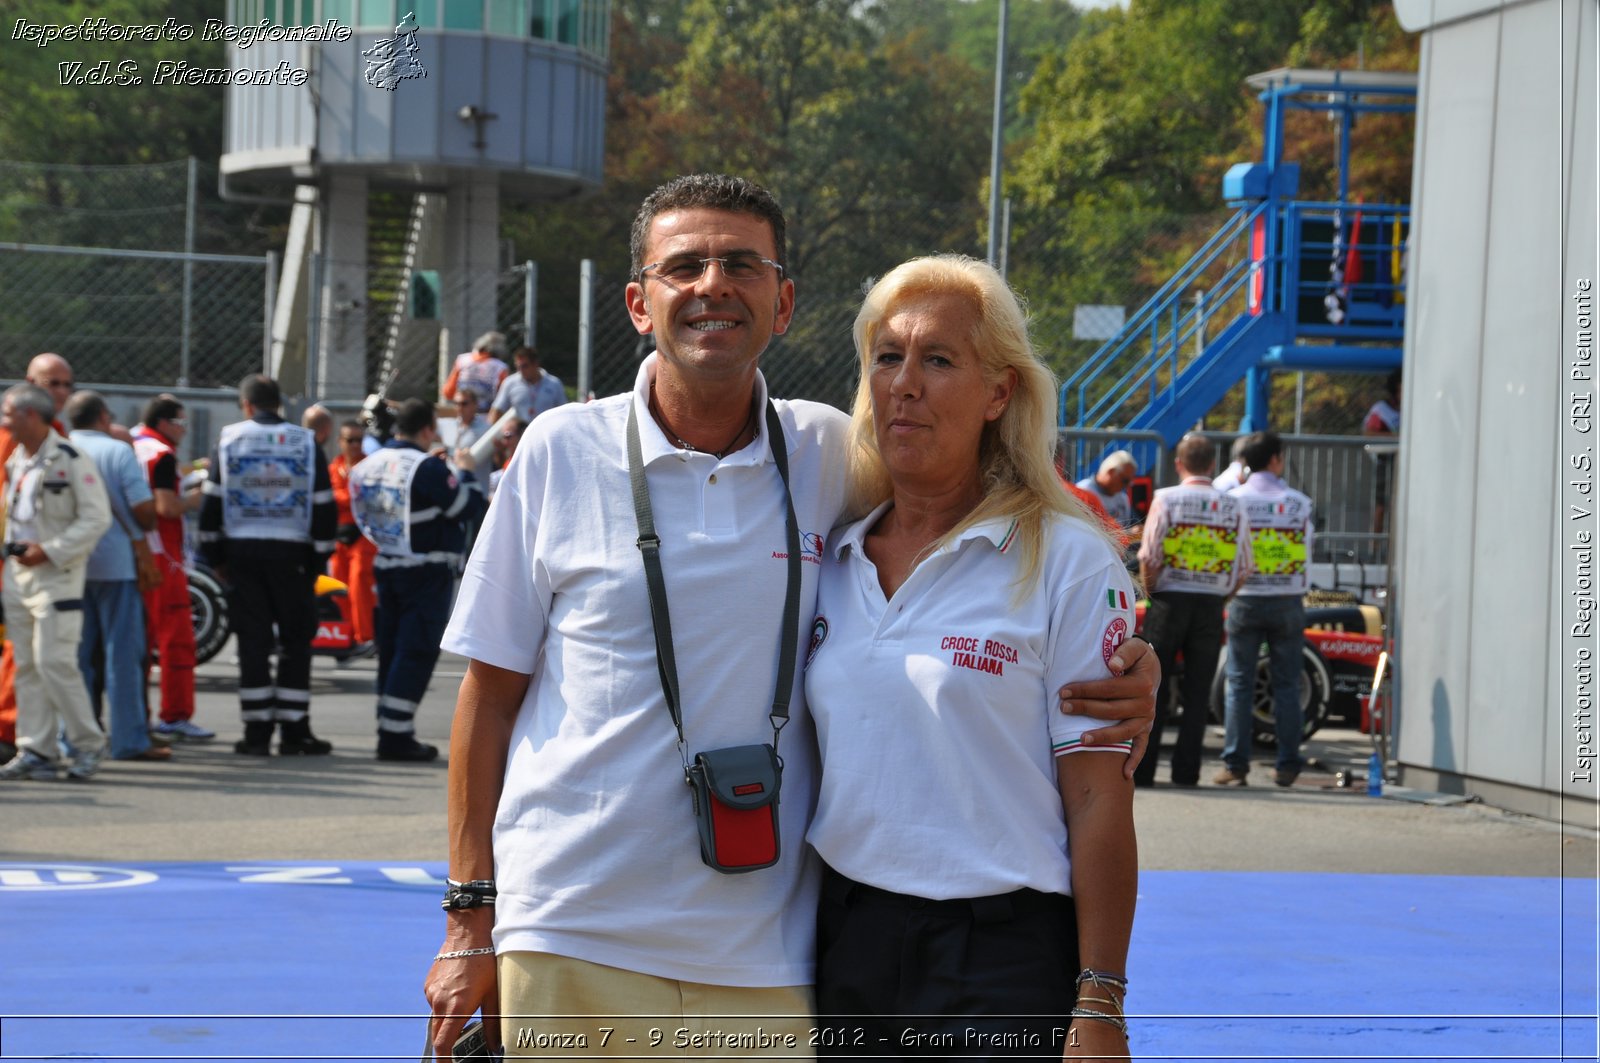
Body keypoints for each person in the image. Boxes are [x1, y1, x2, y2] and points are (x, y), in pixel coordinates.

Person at [422, 174, 1160, 1060]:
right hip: (575, 926)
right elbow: (488, 695)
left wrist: (1134, 672)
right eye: (684, 265)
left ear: (784, 302)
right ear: (637, 301)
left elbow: (982, 536)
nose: (712, 285)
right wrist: (471, 915)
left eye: (741, 263)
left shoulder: (824, 460)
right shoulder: (562, 451)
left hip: (771, 950)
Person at [805, 255, 1138, 1060]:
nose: (904, 384)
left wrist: (1100, 1001)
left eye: (939, 359)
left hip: (1002, 956)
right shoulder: (829, 548)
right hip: (842, 941)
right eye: (888, 356)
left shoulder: (1067, 559)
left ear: (1000, 393)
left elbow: (1099, 801)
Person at [199, 374, 338, 757]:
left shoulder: (229, 438)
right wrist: (317, 561)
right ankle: (295, 730)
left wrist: (216, 558)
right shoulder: (306, 442)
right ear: (279, 404)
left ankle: (257, 731)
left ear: (246, 405)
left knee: (253, 643)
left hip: (242, 554)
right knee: (296, 642)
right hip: (293, 556)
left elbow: (212, 503)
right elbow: (324, 506)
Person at [349, 398, 485, 762]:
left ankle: (389, 723)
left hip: (387, 563)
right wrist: (466, 471)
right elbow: (466, 506)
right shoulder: (425, 467)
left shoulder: (367, 464)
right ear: (427, 430)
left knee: (391, 649)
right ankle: (396, 735)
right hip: (426, 570)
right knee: (416, 649)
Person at [0, 383, 112, 781]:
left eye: (9, 413)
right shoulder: (18, 458)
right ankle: (37, 749)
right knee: (27, 666)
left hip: (56, 576)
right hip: (19, 575)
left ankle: (88, 745)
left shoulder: (69, 458)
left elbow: (97, 518)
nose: (4, 420)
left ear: (31, 415)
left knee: (55, 663)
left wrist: (49, 550)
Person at [1133, 432, 1252, 789]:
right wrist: (1222, 596)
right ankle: (1187, 773)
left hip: (1169, 598)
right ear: (1213, 464)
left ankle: (1144, 771)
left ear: (1179, 464)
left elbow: (1149, 554)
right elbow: (1245, 564)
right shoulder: (1233, 505)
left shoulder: (1166, 498)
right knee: (1198, 693)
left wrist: (1153, 592)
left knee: (1151, 687)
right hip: (1211, 603)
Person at [65, 391, 168, 763]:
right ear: (104, 417)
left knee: (77, 657)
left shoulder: (59, 448)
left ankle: (74, 739)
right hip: (116, 565)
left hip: (71, 563)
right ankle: (128, 739)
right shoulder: (118, 451)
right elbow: (143, 509)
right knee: (122, 655)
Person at [1218, 430, 1315, 787]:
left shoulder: (1233, 500)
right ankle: (1288, 764)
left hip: (1245, 598)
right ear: (1275, 460)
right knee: (1287, 684)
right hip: (1288, 598)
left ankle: (1235, 765)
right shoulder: (1300, 503)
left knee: (1239, 682)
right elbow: (1307, 552)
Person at [132, 396, 212, 741]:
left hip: (134, 555)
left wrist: (192, 468)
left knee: (136, 643)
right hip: (163, 559)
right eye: (181, 423)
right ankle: (176, 714)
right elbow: (166, 506)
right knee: (177, 641)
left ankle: (135, 716)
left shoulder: (136, 442)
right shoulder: (162, 454)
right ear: (164, 423)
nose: (183, 429)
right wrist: (194, 499)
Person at [329, 419, 378, 654]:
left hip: (363, 534)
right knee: (338, 585)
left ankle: (364, 636)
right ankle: (347, 634)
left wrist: (342, 497)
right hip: (339, 535)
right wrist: (348, 497)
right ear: (340, 442)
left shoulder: (370, 466)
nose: (355, 445)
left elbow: (366, 499)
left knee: (359, 581)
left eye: (359, 440)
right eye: (350, 440)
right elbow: (335, 499)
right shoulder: (333, 467)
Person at [1363, 368, 1401, 533]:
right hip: (1386, 462)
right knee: (1382, 505)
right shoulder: (1382, 409)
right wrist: (1397, 437)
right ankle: (1375, 548)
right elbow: (1369, 432)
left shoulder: (1416, 407)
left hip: (1408, 463)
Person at [489, 345, 567, 425]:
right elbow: (497, 410)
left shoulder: (554, 383)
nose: (521, 370)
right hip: (520, 434)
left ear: (535, 364)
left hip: (545, 431)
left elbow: (563, 412)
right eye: (518, 366)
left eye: (524, 366)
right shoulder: (510, 382)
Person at [444, 331, 511, 405]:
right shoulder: (500, 367)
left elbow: (448, 392)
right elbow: (505, 398)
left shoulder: (462, 360)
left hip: (462, 410)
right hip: (488, 413)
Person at [1076, 451, 1137, 528]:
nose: (1128, 485)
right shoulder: (1083, 491)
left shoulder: (1122, 498)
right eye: (1125, 480)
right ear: (1110, 472)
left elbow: (1134, 524)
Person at [450, 387, 493, 453]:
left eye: (464, 403)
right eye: (456, 403)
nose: (459, 408)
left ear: (475, 405)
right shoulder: (449, 424)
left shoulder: (486, 429)